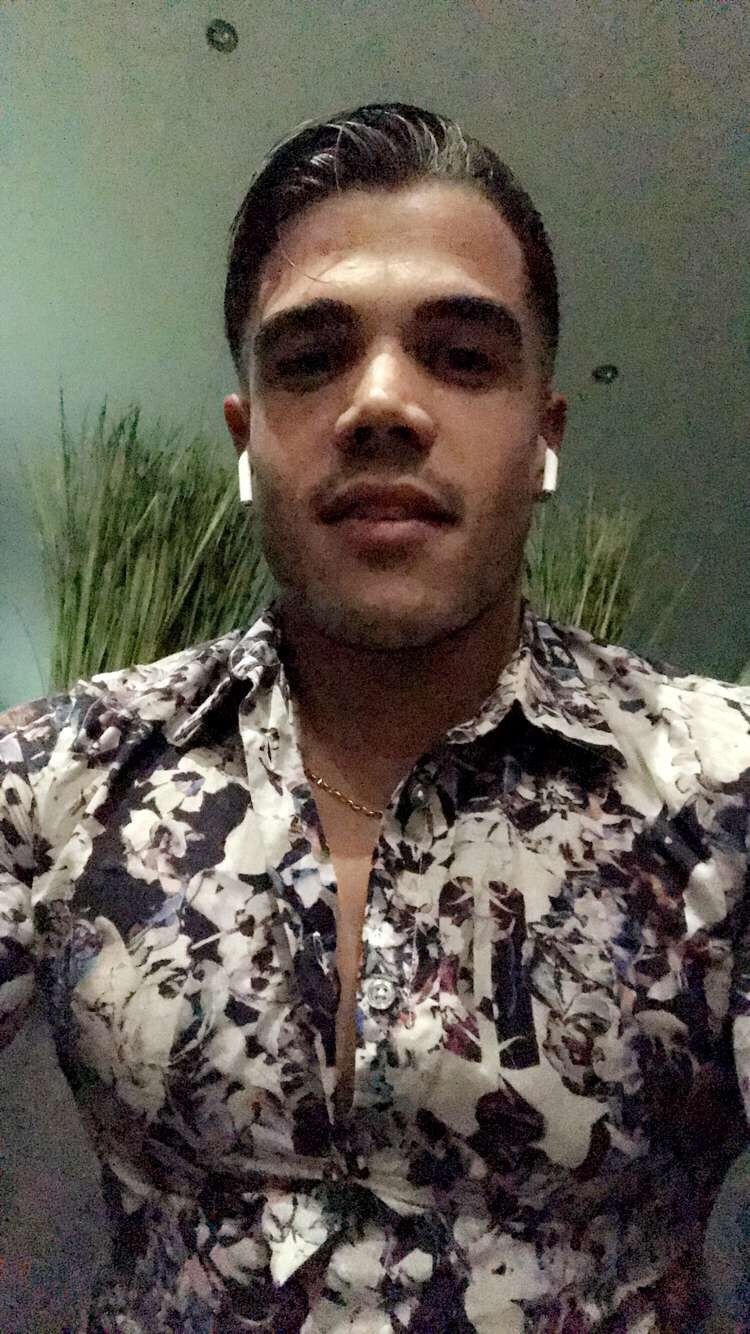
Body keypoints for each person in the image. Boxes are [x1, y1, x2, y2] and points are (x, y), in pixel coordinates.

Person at [0, 101, 748, 1334]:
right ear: (247, 440)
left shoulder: (720, 788)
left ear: (545, 439)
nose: (383, 402)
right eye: (310, 359)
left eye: (462, 356)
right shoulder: (59, 773)